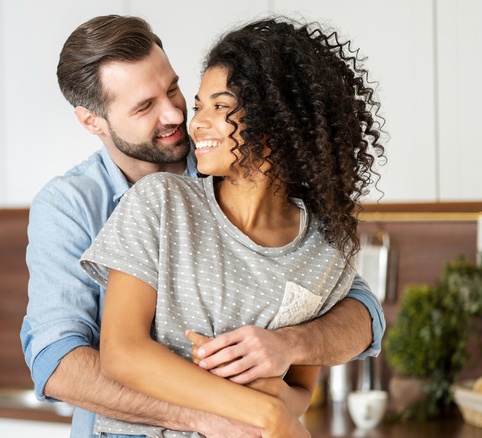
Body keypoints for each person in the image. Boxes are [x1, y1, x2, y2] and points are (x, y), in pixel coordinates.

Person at [21, 15, 385, 438]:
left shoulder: (239, 165)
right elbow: (58, 362)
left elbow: (356, 312)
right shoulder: (73, 205)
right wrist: (224, 417)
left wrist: (287, 354)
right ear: (92, 121)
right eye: (145, 106)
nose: (176, 113)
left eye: (174, 89)